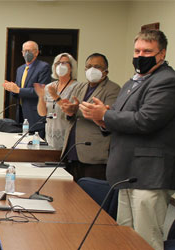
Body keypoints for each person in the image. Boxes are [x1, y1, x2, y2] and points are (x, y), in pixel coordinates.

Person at [79, 29, 175, 250]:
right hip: (127, 172)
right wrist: (102, 118)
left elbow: (146, 120)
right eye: (137, 50)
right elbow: (120, 116)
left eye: (147, 51)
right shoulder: (135, 81)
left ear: (162, 54)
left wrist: (104, 115)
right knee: (124, 235)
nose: (140, 55)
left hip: (149, 174)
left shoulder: (166, 80)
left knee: (145, 238)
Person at [58, 53, 120, 181]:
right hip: (72, 151)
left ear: (105, 71)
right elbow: (69, 112)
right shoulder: (80, 87)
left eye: (97, 66)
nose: (92, 70)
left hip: (94, 155)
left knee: (91, 194)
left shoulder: (113, 89)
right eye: (89, 66)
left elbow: (109, 118)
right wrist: (69, 111)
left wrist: (77, 110)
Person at [3, 41, 51, 136]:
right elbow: (17, 91)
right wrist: (11, 89)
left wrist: (18, 90)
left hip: (35, 114)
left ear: (36, 52)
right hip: (21, 113)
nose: (26, 53)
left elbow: (41, 91)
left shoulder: (43, 67)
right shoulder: (20, 69)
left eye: (29, 51)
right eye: (24, 51)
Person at [33, 53, 77, 150]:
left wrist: (55, 96)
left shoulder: (77, 87)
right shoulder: (50, 86)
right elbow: (42, 113)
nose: (60, 66)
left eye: (65, 63)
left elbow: (70, 112)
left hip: (66, 137)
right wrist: (41, 97)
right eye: (58, 63)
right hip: (49, 137)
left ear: (72, 67)